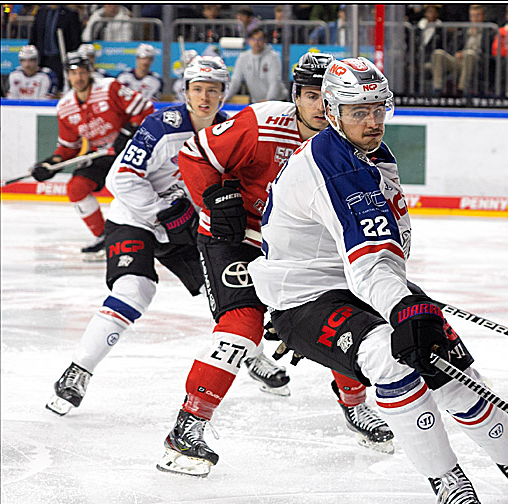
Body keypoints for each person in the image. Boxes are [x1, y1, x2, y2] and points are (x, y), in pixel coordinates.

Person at [247, 57, 508, 504]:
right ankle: (445, 475)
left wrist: (404, 298)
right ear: (332, 112)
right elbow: (370, 256)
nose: (372, 121)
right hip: (306, 300)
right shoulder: (334, 167)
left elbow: (384, 247)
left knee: (447, 360)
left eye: (378, 109)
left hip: (359, 283)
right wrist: (402, 304)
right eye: (359, 111)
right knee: (390, 357)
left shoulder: (369, 151)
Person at [158, 53, 395, 478]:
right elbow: (195, 155)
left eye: (326, 98)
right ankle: (188, 426)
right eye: (310, 96)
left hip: (301, 251)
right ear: (295, 97)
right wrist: (213, 197)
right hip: (237, 239)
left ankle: (355, 405)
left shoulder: (354, 146)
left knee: (347, 317)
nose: (319, 107)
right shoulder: (261, 123)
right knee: (242, 323)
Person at [45, 57, 230, 417]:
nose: (204, 97)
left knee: (226, 293)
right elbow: (121, 178)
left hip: (185, 224)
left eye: (212, 90)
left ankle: (249, 357)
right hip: (136, 218)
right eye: (197, 89)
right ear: (185, 91)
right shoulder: (163, 125)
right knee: (134, 289)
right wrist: (162, 211)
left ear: (224, 93)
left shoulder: (229, 132)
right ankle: (78, 371)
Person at [30, 51, 154, 257]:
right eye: (73, 73)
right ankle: (103, 236)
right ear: (67, 76)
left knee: (135, 192)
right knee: (76, 188)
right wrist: (51, 164)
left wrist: (128, 131)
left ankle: (150, 232)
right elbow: (69, 147)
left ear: (89, 72)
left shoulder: (109, 87)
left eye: (82, 72)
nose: (78, 77)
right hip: (102, 154)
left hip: (130, 151)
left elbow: (145, 109)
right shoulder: (65, 107)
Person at [429, 4, 494, 96]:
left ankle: (461, 90)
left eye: (478, 15)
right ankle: (437, 89)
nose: (475, 19)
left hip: (477, 63)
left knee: (469, 54)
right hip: (459, 61)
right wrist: (456, 53)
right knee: (438, 53)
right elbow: (451, 47)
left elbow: (489, 53)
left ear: (484, 16)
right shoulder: (463, 30)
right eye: (473, 16)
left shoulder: (490, 32)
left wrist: (467, 53)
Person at [229, 27, 285, 103]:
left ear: (264, 40)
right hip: (257, 102)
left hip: (277, 101)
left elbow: (275, 82)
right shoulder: (243, 57)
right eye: (253, 39)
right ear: (249, 41)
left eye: (259, 39)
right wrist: (225, 97)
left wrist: (269, 100)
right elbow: (235, 81)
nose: (256, 42)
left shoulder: (273, 57)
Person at [28, 5, 83, 78]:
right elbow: (34, 35)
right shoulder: (41, 12)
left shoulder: (70, 14)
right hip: (42, 58)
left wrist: (70, 58)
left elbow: (75, 39)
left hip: (61, 58)